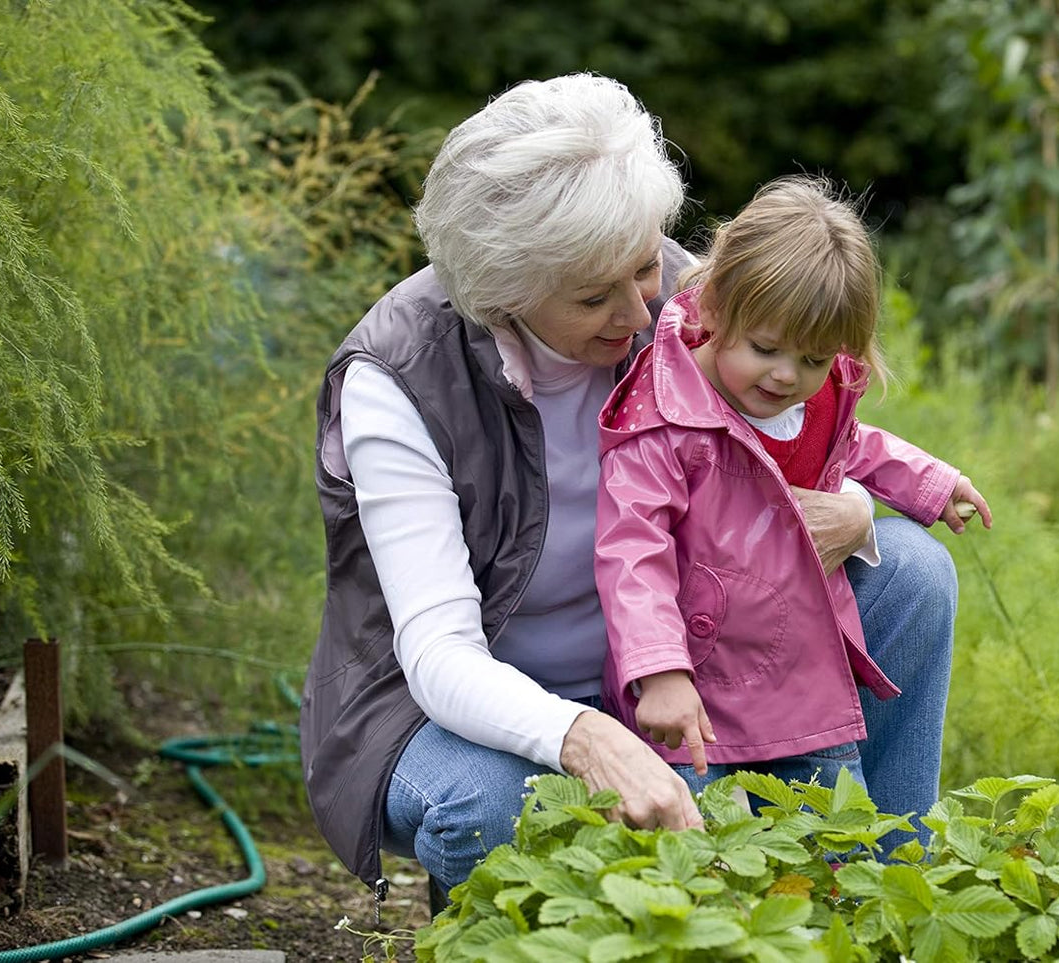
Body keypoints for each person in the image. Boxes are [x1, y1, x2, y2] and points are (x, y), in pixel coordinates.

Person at [299, 73, 971, 909]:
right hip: (458, 701)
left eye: (645, 265)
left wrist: (858, 509)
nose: (640, 308)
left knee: (908, 571)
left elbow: (807, 425)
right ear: (502, 293)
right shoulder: (400, 380)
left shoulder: (687, 299)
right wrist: (584, 735)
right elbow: (438, 656)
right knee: (496, 804)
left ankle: (887, 891)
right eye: (591, 296)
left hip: (680, 655)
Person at [596, 177, 991, 797]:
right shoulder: (664, 416)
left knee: (834, 844)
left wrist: (933, 484)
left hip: (803, 680)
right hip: (695, 694)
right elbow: (631, 551)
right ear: (718, 306)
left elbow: (855, 443)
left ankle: (885, 881)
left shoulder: (814, 398)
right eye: (766, 349)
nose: (787, 376)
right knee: (697, 863)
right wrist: (659, 672)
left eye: (813, 360)